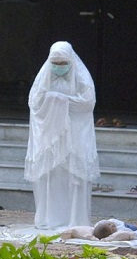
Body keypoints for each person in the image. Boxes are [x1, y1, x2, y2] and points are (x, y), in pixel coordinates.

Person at [24, 41, 99, 229]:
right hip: (50, 139)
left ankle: (75, 220)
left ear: (71, 61)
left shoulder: (81, 77)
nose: (58, 67)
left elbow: (88, 102)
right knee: (51, 177)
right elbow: (35, 102)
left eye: (63, 63)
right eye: (55, 63)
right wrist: (52, 100)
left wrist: (62, 100)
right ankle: (49, 219)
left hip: (74, 137)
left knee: (73, 179)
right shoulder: (44, 77)